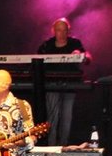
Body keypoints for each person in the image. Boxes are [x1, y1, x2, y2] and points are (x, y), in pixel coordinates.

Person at [37, 17, 89, 146]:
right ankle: (51, 146)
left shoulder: (75, 43)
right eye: (59, 30)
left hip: (70, 84)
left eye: (65, 30)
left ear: (68, 31)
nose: (62, 33)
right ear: (54, 31)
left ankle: (64, 146)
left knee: (67, 117)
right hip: (51, 84)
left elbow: (87, 57)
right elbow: (36, 60)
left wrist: (80, 54)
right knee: (52, 117)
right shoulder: (47, 45)